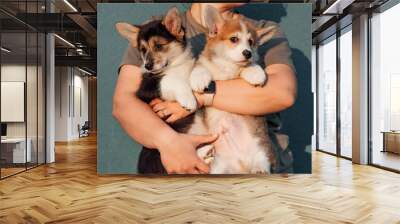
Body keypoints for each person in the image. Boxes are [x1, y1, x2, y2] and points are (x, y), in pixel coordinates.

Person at [113, 3, 297, 174]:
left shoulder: (259, 30)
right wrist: (169, 142)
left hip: (259, 163)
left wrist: (202, 97)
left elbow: (282, 94)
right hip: (188, 167)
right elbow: (124, 103)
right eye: (233, 39)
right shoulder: (154, 29)